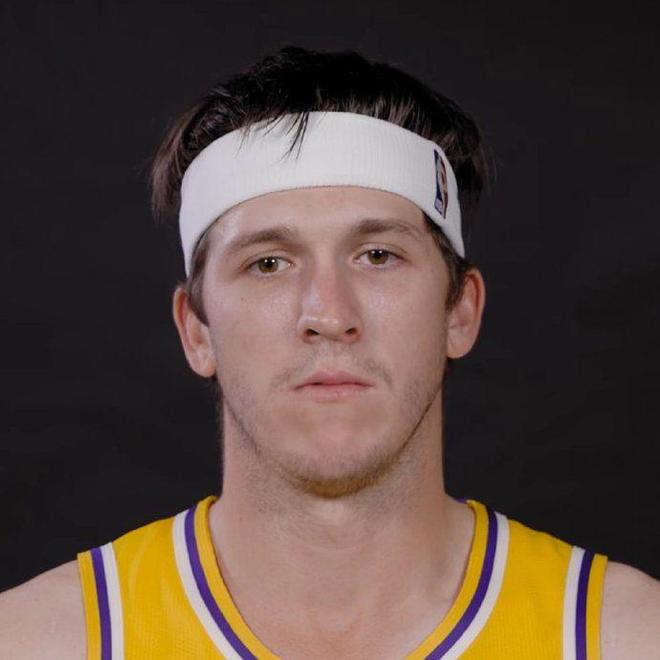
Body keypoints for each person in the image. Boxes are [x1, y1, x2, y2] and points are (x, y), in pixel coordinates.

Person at [1, 45, 658, 660]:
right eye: (268, 262)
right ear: (196, 329)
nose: (329, 315)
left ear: (460, 311)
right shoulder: (38, 643)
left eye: (378, 255)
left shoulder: (624, 638)